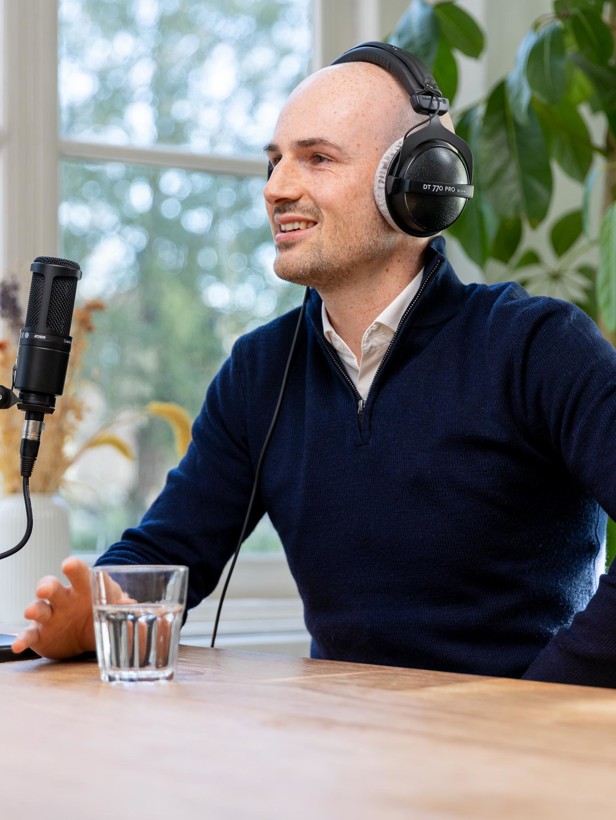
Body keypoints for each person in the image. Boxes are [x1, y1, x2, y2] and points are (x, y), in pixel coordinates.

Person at [11, 42, 616, 688]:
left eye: (317, 159)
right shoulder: (260, 371)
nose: (276, 189)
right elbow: (167, 553)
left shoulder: (537, 346)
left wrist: (542, 698)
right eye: (273, 163)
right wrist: (94, 608)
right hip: (341, 756)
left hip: (525, 758)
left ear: (420, 185)